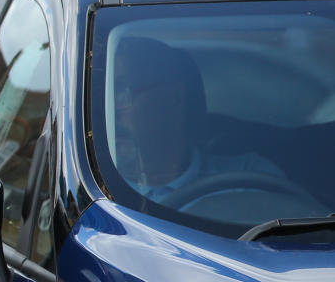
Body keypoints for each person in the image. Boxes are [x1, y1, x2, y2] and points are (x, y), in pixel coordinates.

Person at [112, 36, 282, 205]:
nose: (111, 110)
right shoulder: (93, 196)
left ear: (174, 97)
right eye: (102, 95)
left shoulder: (248, 181)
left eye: (121, 91)